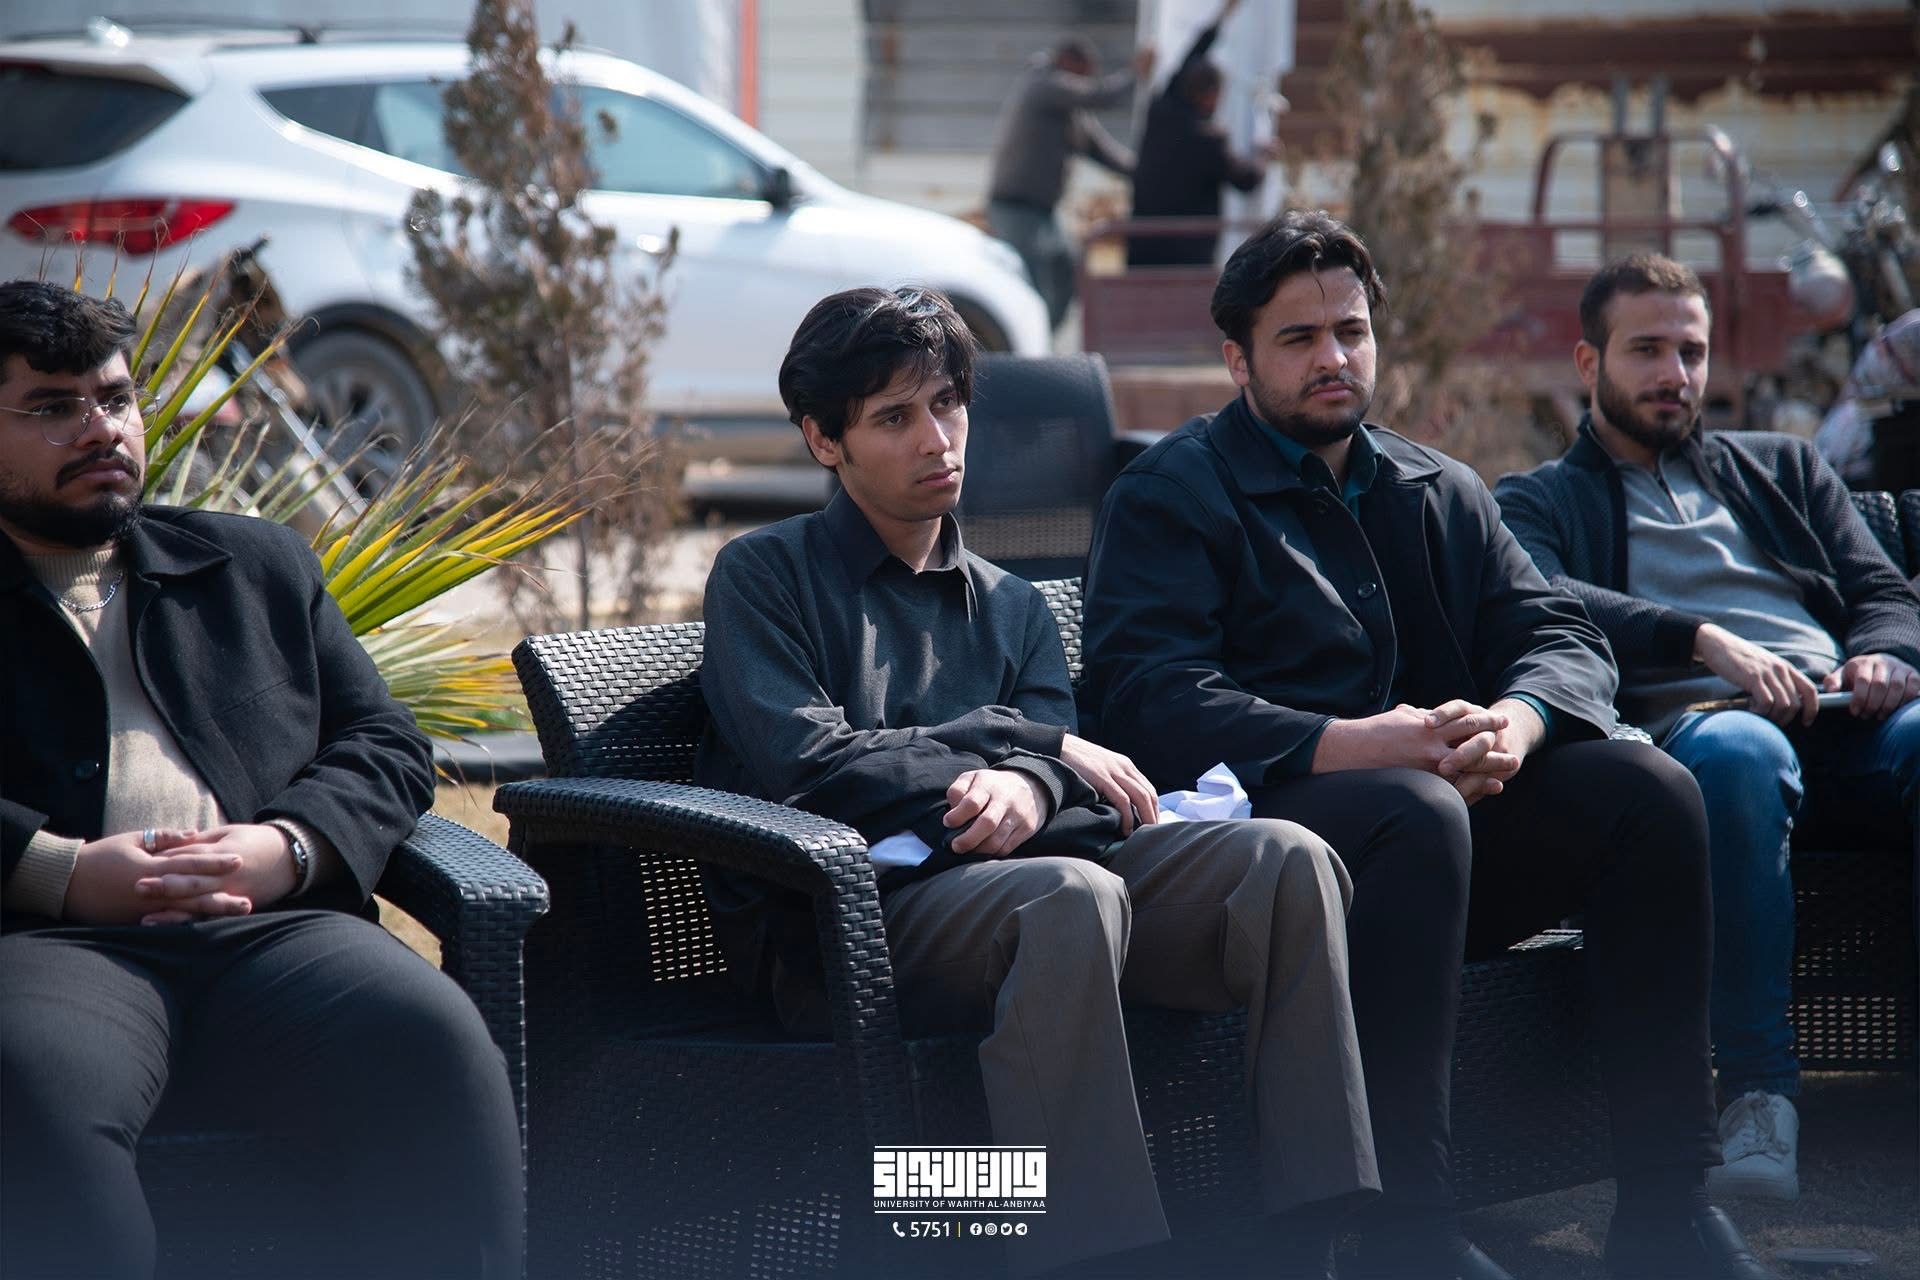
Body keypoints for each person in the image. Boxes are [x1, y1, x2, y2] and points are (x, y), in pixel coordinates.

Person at [1081, 212, 1778, 1280]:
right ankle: (1408, 1231)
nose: (1334, 358)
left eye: (1351, 332)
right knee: (1414, 809)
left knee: (1650, 788)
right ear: (1238, 359)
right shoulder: (1172, 493)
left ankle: (1667, 1207)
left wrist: (1518, 725)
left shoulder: (1437, 487)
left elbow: (1559, 634)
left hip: (1438, 837)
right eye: (1300, 338)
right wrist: (1353, 744)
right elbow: (1148, 699)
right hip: (1268, 856)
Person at [695, 285, 1378, 1278]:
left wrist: (1034, 780)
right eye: (894, 417)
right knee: (1068, 894)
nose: (938, 438)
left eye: (948, 404)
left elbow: (1077, 771)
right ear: (823, 440)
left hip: (1040, 884)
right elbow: (810, 763)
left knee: (1285, 861)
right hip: (852, 920)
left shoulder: (1014, 606)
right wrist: (1023, 749)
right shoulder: (765, 575)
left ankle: (1312, 1243)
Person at [0, 281, 523, 1278]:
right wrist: (59, 871)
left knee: (434, 1042)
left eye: (116, 398)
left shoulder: (254, 566)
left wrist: (286, 846)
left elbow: (384, 741)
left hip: (278, 934)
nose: (101, 427)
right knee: (32, 1088)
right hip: (47, 947)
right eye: (53, 407)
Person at [1496, 254, 1920, 1204]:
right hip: (1702, 735)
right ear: (1588, 361)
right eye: (1646, 350)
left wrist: (1884, 654)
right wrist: (1703, 640)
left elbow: (1882, 590)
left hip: (1850, 723)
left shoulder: (1785, 466)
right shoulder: (1539, 499)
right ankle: (1759, 1100)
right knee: (1740, 752)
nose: (1674, 374)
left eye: (1690, 351)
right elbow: (1540, 596)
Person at [986, 37, 1154, 330]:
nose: (1085, 81)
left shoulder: (1068, 109)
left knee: (1068, 269)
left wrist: (1146, 173)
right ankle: (1030, 340)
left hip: (1042, 212)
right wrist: (1135, 74)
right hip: (1016, 207)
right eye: (1083, 74)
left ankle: (1046, 334)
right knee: (1035, 278)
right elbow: (1100, 96)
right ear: (1068, 62)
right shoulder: (1043, 83)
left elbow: (1100, 150)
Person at [1128, 0, 1272, 268]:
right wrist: (1263, 153)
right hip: (1187, 262)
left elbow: (1191, 57)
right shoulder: (1209, 140)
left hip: (1142, 251)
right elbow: (1246, 179)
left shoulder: (1160, 111)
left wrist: (1223, 16)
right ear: (1211, 96)